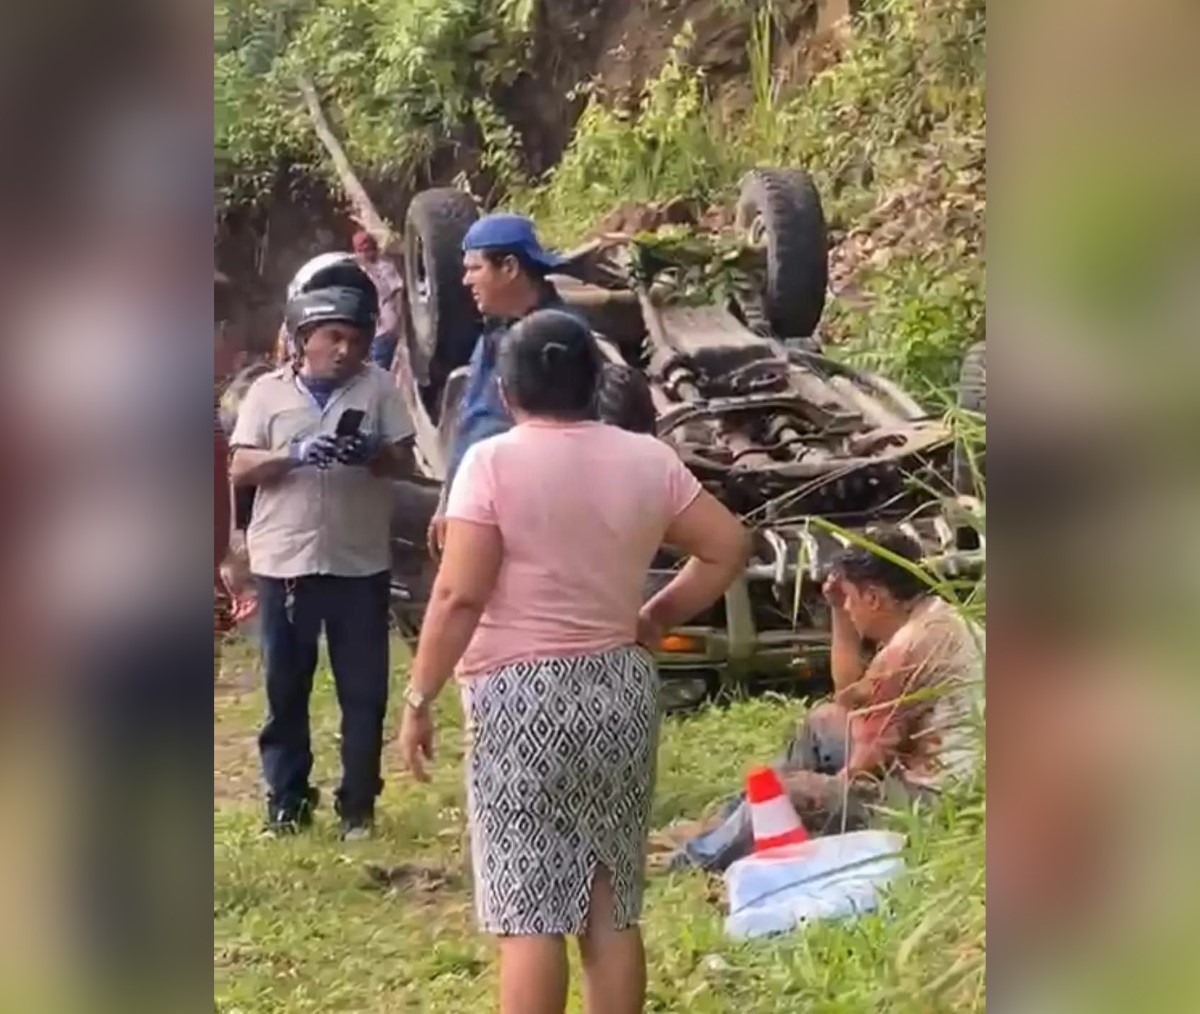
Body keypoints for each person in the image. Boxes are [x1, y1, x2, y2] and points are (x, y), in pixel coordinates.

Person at [397, 309, 749, 1014]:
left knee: (531, 909)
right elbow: (728, 546)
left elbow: (461, 593)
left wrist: (419, 695)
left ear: (506, 390)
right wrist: (656, 617)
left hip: (520, 696)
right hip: (619, 686)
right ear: (594, 383)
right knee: (610, 900)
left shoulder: (490, 463)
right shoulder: (646, 458)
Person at [229, 259, 416, 839]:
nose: (345, 350)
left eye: (357, 340)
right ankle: (286, 800)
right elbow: (239, 466)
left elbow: (403, 460)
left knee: (363, 692)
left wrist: (371, 453)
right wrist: (295, 454)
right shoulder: (266, 392)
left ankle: (358, 805)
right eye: (333, 337)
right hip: (285, 563)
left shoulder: (379, 387)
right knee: (286, 688)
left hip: (358, 562)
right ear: (304, 338)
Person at [671, 528, 983, 872]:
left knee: (794, 793)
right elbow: (847, 699)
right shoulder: (938, 617)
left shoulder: (907, 647)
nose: (848, 608)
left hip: (934, 799)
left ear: (874, 598)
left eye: (849, 598)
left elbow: (870, 759)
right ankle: (728, 822)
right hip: (928, 768)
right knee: (823, 721)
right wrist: (837, 610)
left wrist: (823, 792)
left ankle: (693, 857)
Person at [426, 213, 588, 557]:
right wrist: (449, 499)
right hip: (478, 500)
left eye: (475, 268)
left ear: (510, 267)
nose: (465, 280)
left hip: (526, 512)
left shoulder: (562, 338)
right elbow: (472, 418)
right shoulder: (494, 330)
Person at [352, 230, 405, 370]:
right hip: (367, 332)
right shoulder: (356, 271)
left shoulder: (385, 268)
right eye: (361, 251)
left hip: (384, 329)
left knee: (379, 369)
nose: (365, 254)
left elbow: (397, 293)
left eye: (368, 250)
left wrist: (399, 323)